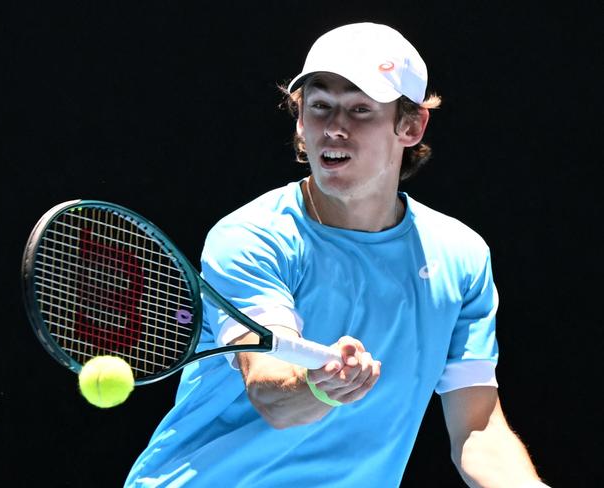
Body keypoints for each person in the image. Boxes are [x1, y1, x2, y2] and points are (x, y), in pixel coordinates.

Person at [125, 22, 548, 487]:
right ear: (301, 121)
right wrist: (320, 387)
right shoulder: (253, 237)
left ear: (410, 125)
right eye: (320, 106)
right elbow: (271, 391)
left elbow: (478, 430)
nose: (335, 128)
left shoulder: (460, 257)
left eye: (360, 109)